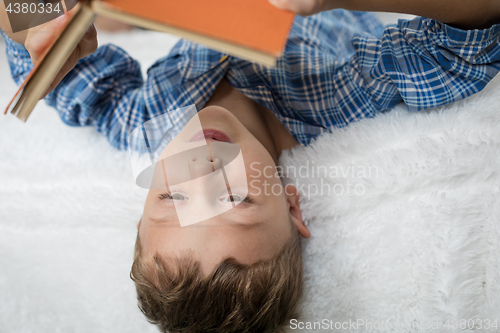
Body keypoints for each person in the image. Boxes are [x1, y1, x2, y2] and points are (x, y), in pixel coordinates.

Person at [1, 0, 500, 331]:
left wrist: (37, 16)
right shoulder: (338, 102)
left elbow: (24, 34)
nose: (202, 170)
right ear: (291, 203)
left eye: (172, 197)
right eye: (236, 198)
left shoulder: (145, 127)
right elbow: (471, 40)